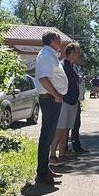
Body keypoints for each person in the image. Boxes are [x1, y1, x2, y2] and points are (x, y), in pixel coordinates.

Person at [34, 30, 68, 185]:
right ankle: (42, 174)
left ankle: (45, 169)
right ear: (52, 40)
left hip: (52, 99)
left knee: (48, 136)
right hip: (50, 99)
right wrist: (56, 95)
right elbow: (43, 78)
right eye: (59, 39)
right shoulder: (46, 55)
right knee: (47, 136)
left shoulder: (50, 55)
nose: (61, 42)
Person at [50, 43, 81, 166]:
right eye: (77, 52)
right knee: (60, 129)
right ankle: (52, 155)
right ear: (71, 52)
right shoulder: (62, 65)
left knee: (66, 129)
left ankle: (62, 154)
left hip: (73, 102)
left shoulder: (72, 66)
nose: (78, 54)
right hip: (64, 102)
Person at [71, 62, 89, 153]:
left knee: (76, 124)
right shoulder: (69, 66)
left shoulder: (77, 67)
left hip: (76, 100)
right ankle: (71, 147)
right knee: (70, 125)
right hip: (71, 100)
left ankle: (76, 146)